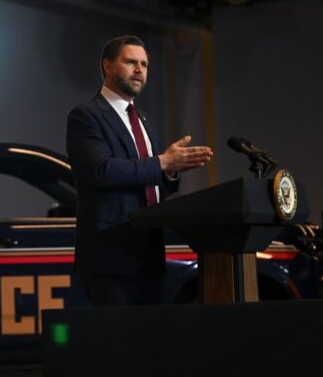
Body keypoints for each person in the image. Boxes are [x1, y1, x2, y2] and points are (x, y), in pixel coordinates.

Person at [65, 35, 213, 306]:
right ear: (108, 67)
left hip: (151, 257)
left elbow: (155, 182)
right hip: (110, 258)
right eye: (131, 62)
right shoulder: (86, 115)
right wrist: (162, 163)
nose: (139, 70)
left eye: (144, 64)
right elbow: (101, 170)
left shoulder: (145, 121)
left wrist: (171, 171)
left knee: (149, 345)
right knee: (117, 343)